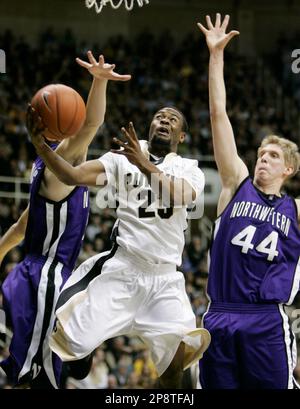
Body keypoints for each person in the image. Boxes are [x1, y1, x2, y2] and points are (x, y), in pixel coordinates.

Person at [29, 104, 211, 388]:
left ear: (182, 136)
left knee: (175, 367)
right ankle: (81, 355)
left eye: (172, 119)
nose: (164, 120)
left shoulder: (190, 169)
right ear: (150, 126)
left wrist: (144, 164)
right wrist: (40, 146)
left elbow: (179, 196)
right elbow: (73, 176)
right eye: (159, 116)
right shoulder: (122, 158)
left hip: (165, 279)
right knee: (69, 349)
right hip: (124, 267)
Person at [0, 51, 131, 389]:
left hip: (34, 275)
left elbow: (20, 228)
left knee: (35, 370)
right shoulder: (60, 162)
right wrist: (99, 81)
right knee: (38, 374)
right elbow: (92, 124)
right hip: (47, 276)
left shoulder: (48, 167)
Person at [198, 13, 300, 389]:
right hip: (220, 314)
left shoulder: (295, 209)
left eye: (273, 156)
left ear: (288, 169)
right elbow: (217, 115)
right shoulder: (234, 183)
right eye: (261, 152)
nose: (263, 158)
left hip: (266, 319)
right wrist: (216, 56)